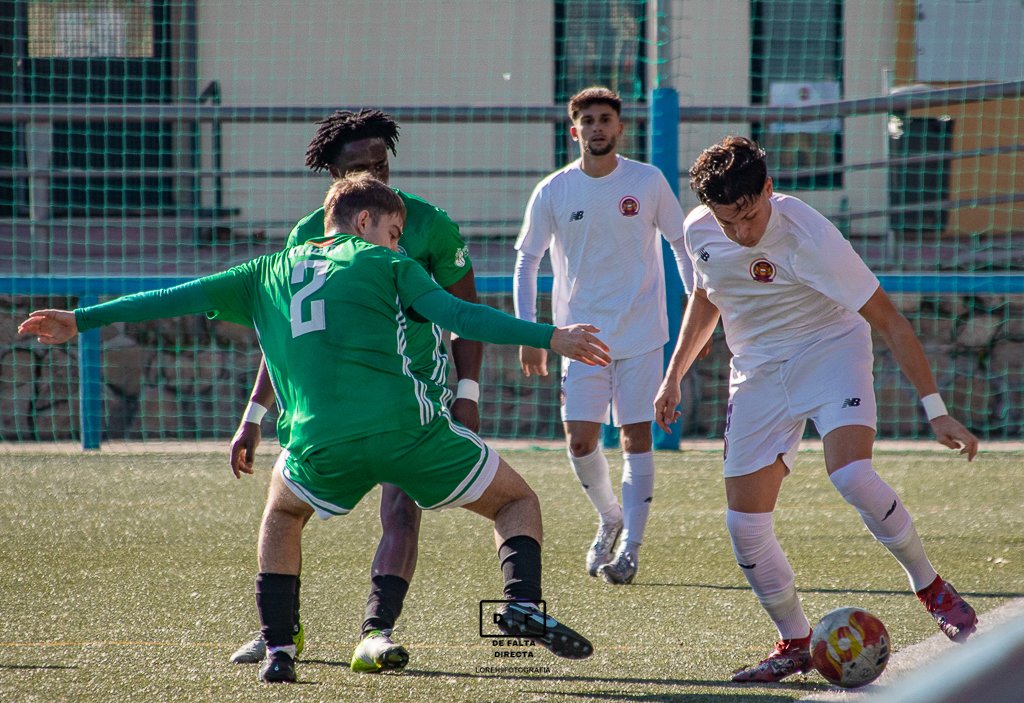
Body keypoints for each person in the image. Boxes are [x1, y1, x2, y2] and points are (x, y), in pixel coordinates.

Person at [20, 174, 608, 684]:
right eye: (395, 230)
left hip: (319, 444)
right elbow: (460, 317)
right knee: (518, 502)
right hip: (409, 434)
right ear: (366, 219)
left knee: (281, 516)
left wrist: (80, 319)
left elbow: (170, 296)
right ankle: (521, 602)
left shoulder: (264, 271)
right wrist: (551, 337)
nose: (397, 241)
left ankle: (278, 647)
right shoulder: (388, 262)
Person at [654, 136, 980, 683]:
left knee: (851, 474)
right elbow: (707, 296)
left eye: (750, 216)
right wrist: (672, 376)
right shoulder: (699, 231)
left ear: (768, 190)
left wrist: (937, 410)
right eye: (727, 221)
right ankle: (796, 643)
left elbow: (891, 322)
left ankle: (932, 588)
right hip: (757, 371)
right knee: (745, 525)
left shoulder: (809, 234)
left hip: (830, 350)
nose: (741, 233)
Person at [228, 109, 483, 672]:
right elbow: (283, 338)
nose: (376, 173)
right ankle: (279, 631)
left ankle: (377, 632)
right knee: (285, 510)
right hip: (324, 403)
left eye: (382, 162)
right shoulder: (305, 237)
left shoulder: (427, 223)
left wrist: (467, 392)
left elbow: (466, 314)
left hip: (407, 393)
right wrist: (254, 414)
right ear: (332, 177)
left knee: (401, 508)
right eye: (359, 166)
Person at [513, 86, 694, 585]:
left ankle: (630, 550)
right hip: (580, 340)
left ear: (620, 128)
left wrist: (699, 304)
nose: (597, 127)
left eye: (605, 119)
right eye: (587, 120)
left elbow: (681, 244)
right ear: (574, 131)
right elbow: (527, 260)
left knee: (637, 437)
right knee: (580, 441)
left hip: (641, 334)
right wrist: (534, 332)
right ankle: (610, 517)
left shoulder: (648, 180)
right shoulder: (553, 190)